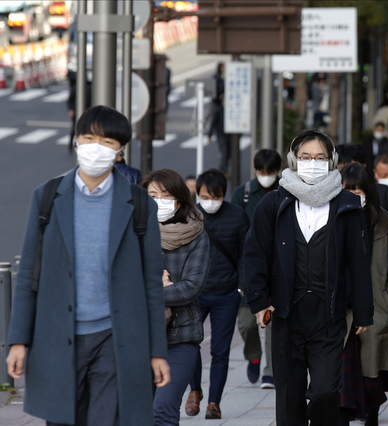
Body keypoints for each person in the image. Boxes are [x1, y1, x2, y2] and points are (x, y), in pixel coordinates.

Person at [6, 105, 170, 426]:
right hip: (57, 336)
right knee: (63, 419)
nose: (96, 147)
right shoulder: (48, 198)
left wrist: (156, 351)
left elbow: (152, 284)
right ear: (77, 142)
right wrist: (18, 341)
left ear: (120, 151)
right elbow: (28, 275)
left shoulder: (139, 206)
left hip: (115, 336)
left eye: (108, 142)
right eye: (89, 137)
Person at [243, 129, 374, 425]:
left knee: (327, 391)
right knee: (289, 393)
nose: (312, 163)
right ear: (293, 160)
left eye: (319, 157)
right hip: (287, 314)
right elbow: (254, 255)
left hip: (329, 317)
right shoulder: (274, 204)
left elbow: (358, 261)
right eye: (305, 157)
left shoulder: (347, 206)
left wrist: (364, 312)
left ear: (331, 162)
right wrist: (260, 301)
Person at [141, 169, 210, 426]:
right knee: (140, 412)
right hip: (140, 336)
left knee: (164, 407)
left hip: (181, 336)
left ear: (180, 199)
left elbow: (191, 287)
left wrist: (149, 293)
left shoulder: (197, 236)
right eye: (152, 195)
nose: (158, 200)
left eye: (166, 195)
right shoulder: (134, 232)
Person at [185, 169, 250, 419]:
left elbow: (246, 253)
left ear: (224, 194)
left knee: (220, 351)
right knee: (190, 344)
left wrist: (241, 287)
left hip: (226, 294)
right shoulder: (188, 215)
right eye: (205, 196)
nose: (210, 201)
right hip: (194, 294)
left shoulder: (238, 217)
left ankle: (214, 402)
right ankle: (194, 391)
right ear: (197, 194)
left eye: (216, 196)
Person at [338, 162, 388, 426]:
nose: (354, 196)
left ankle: (371, 413)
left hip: (376, 309)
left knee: (372, 373)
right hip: (341, 309)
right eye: (347, 191)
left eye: (358, 190)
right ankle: (344, 414)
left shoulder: (386, 223)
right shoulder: (329, 218)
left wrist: (387, 301)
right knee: (342, 372)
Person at [230, 149, 282, 388]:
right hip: (248, 264)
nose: (266, 176)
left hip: (279, 262)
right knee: (246, 322)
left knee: (275, 319)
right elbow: (232, 227)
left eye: (270, 172)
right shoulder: (244, 194)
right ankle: (254, 355)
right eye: (261, 172)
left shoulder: (286, 190)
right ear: (255, 170)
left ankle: (271, 371)